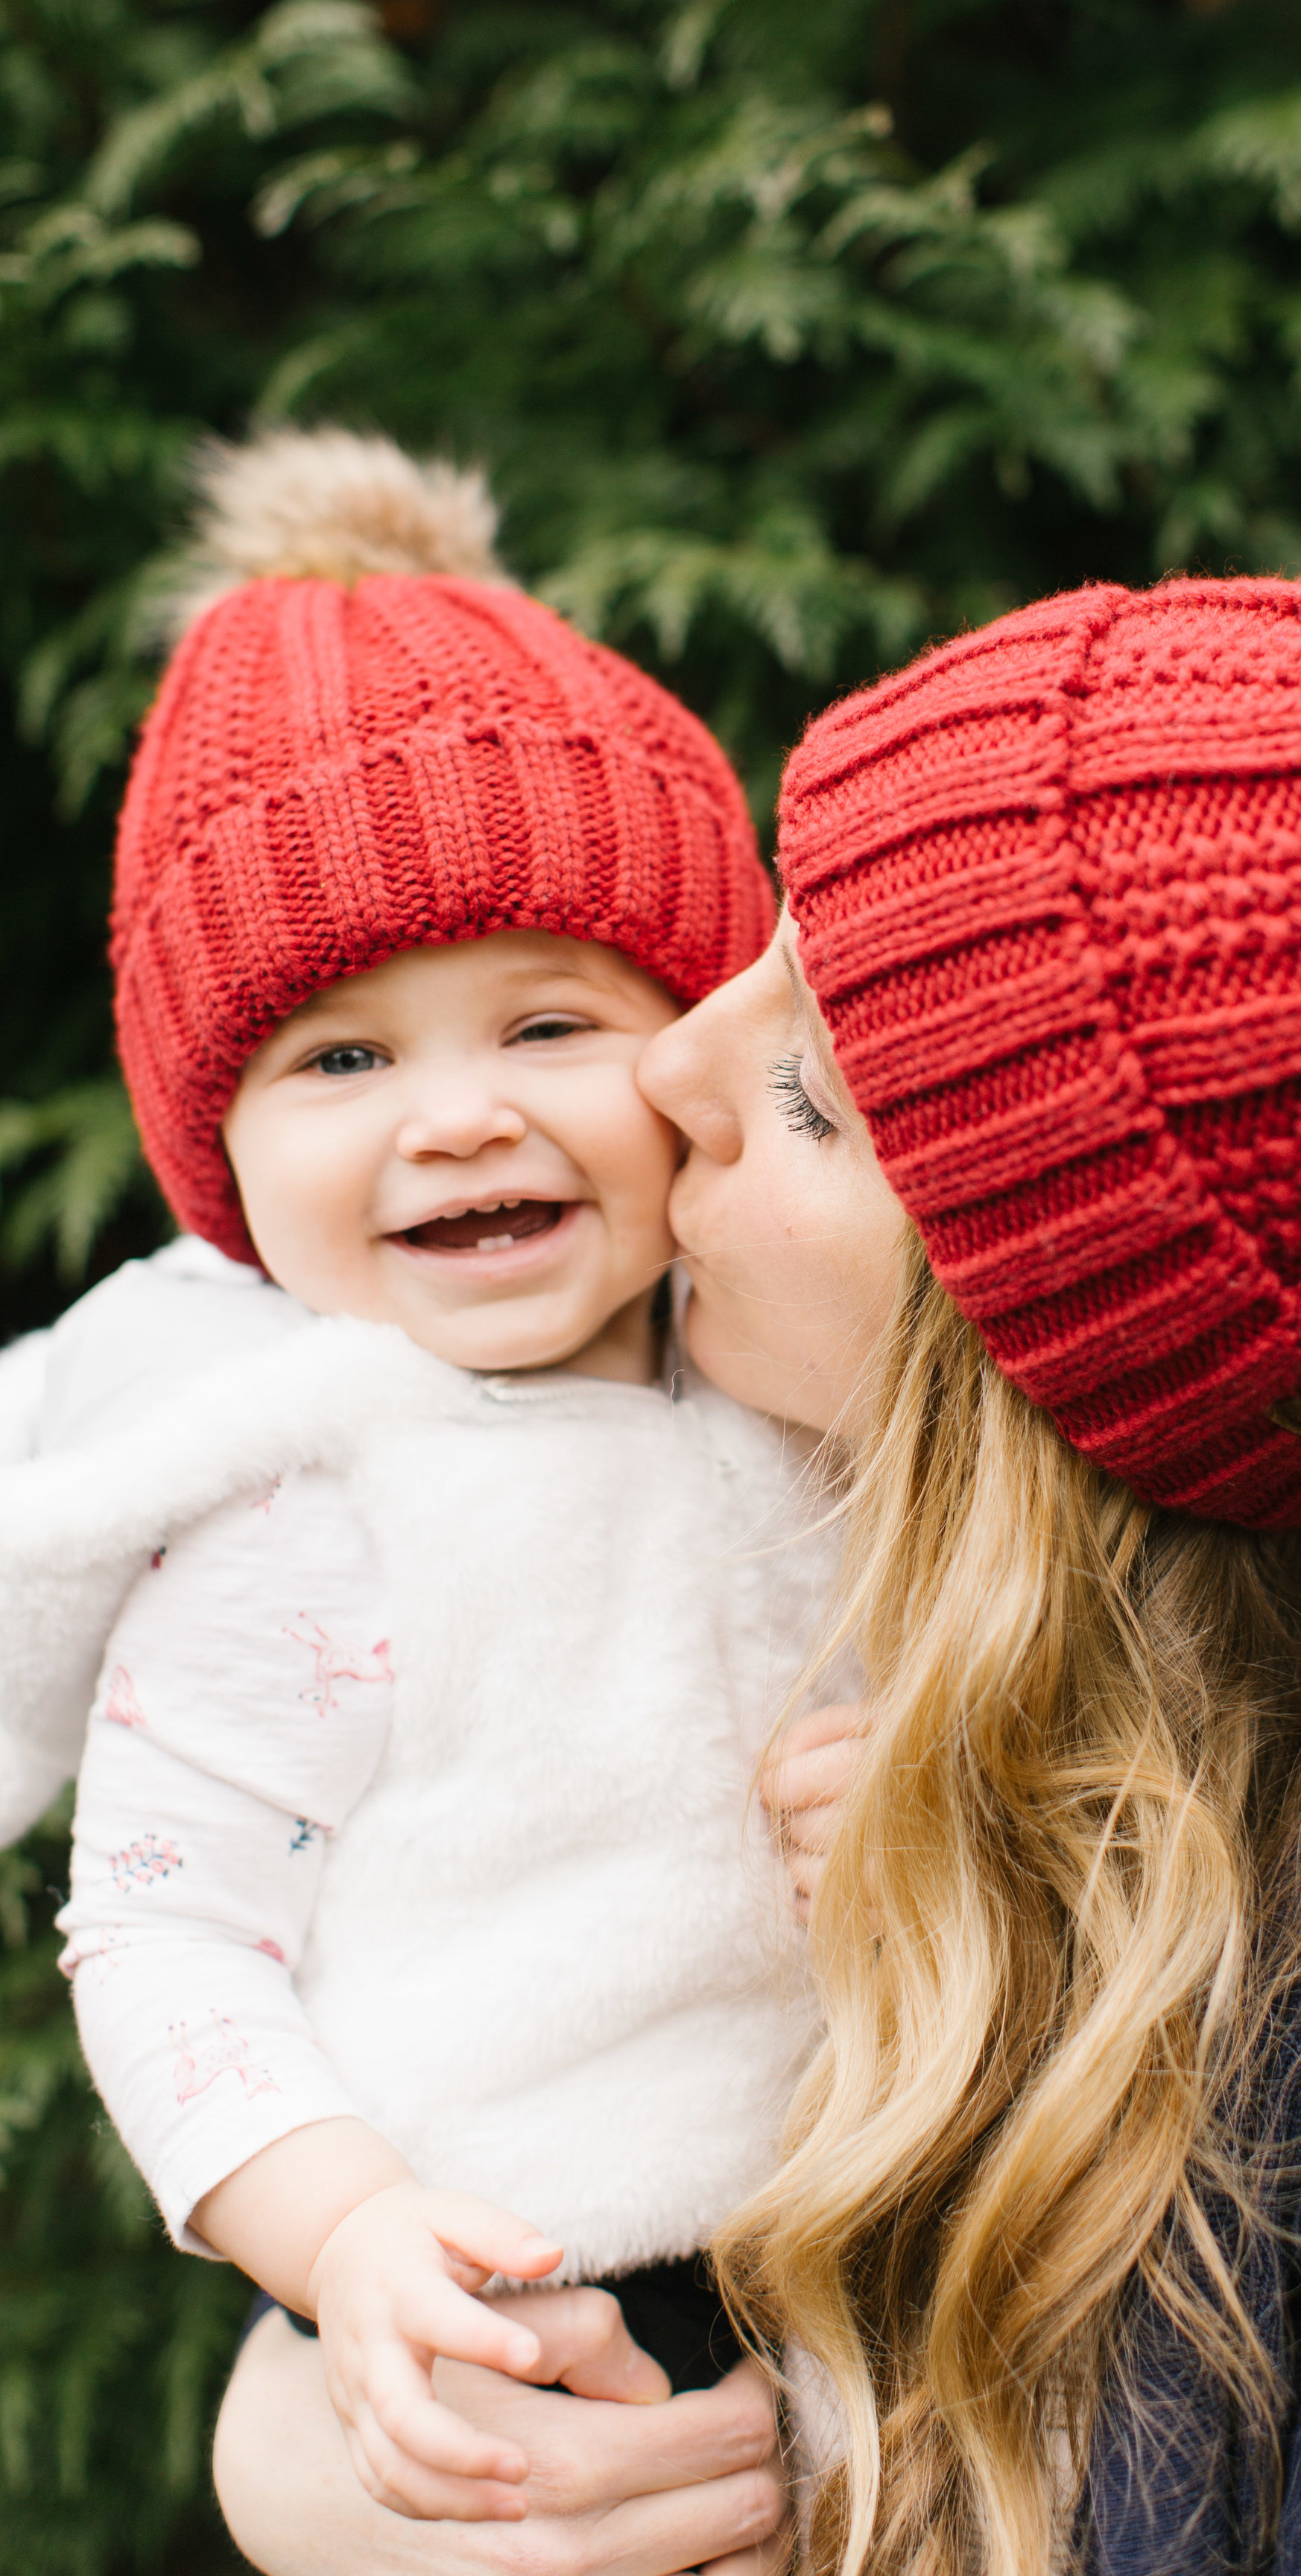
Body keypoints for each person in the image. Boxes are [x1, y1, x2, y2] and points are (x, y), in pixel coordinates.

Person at [213, 548, 1301, 2572]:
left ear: (1076, 1338)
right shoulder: (836, 1648)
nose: (660, 1071)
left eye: (810, 1091)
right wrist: (304, 2447)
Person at [0, 431, 839, 2537]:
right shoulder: (294, 1500)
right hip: (519, 2315)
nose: (455, 1121)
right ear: (224, 1169)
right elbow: (172, 1938)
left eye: (548, 1023)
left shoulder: (809, 1384)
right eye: (343, 1061)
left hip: (890, 2287)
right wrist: (341, 2239)